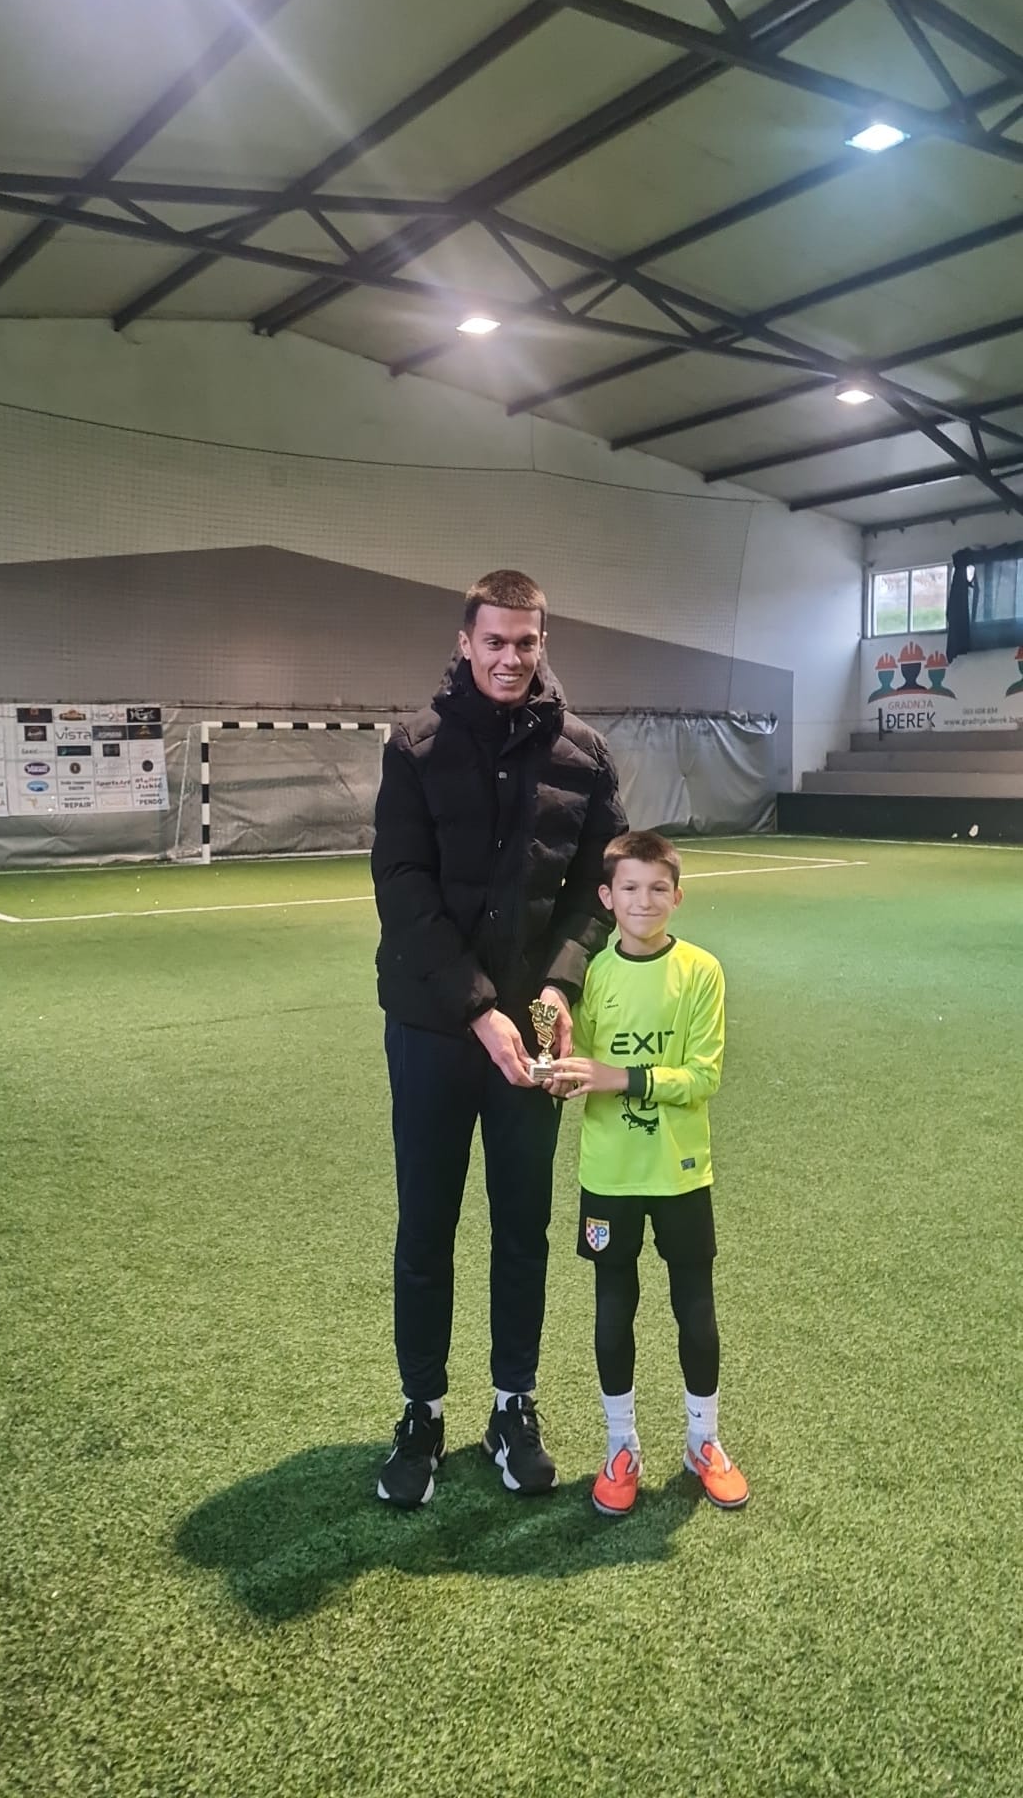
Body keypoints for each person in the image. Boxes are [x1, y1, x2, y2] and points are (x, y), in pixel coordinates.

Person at [371, 569, 626, 1507]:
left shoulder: (585, 757)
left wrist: (559, 985)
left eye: (526, 642)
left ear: (541, 643)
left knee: (522, 1230)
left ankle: (513, 1407)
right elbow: (402, 888)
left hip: (534, 1040)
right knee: (426, 1227)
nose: (511, 658)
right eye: (495, 641)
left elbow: (595, 894)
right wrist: (480, 1008)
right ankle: (422, 1412)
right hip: (434, 1028)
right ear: (466, 642)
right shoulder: (415, 747)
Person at [548, 830, 748, 1515]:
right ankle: (620, 1446)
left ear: (677, 897)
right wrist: (561, 1073)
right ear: (606, 897)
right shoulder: (591, 976)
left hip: (681, 1172)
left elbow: (703, 1076)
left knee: (695, 1306)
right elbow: (579, 1062)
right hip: (610, 1175)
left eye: (658, 887)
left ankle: (703, 1441)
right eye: (629, 887)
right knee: (614, 1307)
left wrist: (620, 1077)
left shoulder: (701, 971)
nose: (644, 900)